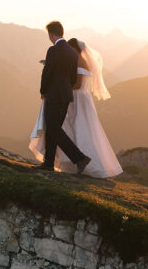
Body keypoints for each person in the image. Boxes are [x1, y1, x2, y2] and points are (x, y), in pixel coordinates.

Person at [30, 30, 122, 178]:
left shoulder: (77, 60)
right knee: (62, 129)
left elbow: (77, 84)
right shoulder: (78, 59)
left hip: (74, 99)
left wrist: (57, 84)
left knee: (62, 129)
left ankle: (79, 158)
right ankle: (51, 161)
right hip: (76, 98)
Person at [31, 21, 92, 174]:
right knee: (54, 128)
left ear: (52, 34)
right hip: (66, 95)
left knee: (52, 128)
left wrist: (43, 90)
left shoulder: (53, 50)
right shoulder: (72, 52)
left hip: (53, 94)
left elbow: (47, 73)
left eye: (49, 35)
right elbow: (72, 77)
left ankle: (79, 158)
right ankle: (49, 163)